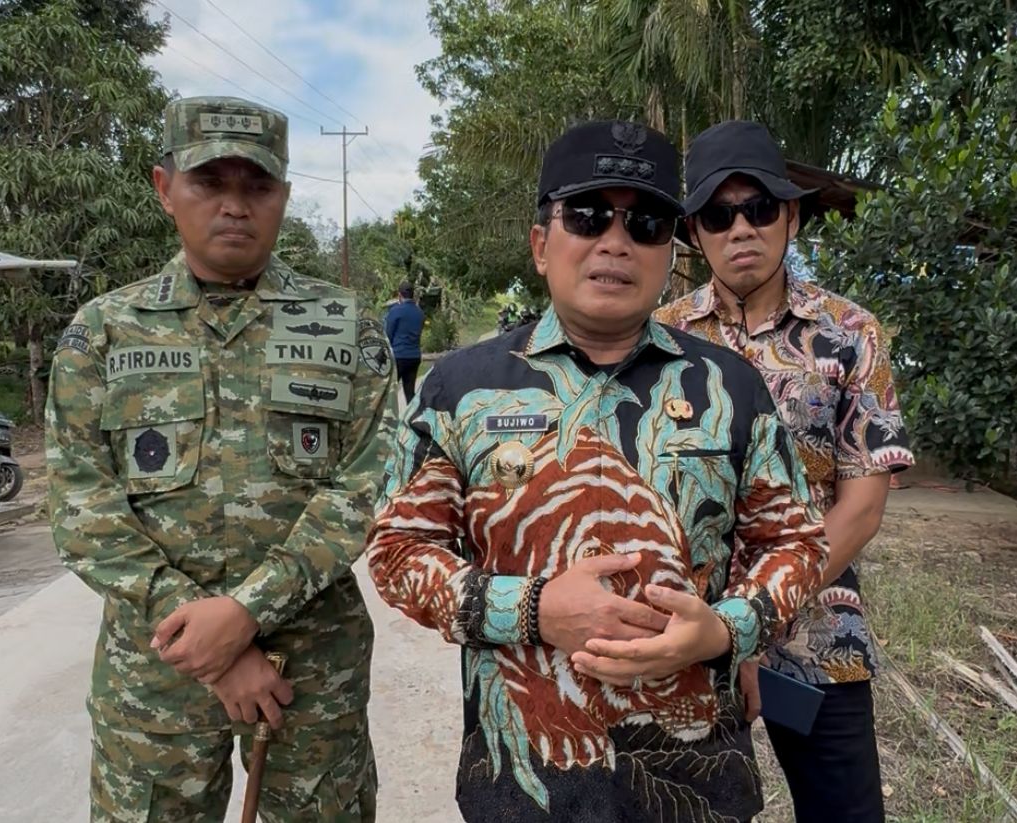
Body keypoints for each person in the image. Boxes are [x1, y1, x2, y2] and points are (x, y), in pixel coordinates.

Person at [367, 120, 829, 822]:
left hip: (695, 779)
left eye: (644, 222)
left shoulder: (729, 388)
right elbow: (398, 552)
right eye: (586, 215)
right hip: (525, 781)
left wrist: (725, 628)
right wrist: (529, 608)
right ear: (540, 243)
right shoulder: (460, 389)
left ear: (665, 253)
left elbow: (794, 544)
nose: (615, 240)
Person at [46, 96, 394, 821]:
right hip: (157, 678)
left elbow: (366, 485)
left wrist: (245, 610)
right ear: (164, 186)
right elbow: (83, 508)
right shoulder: (102, 333)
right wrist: (208, 638)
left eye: (257, 186)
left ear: (284, 197)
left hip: (311, 672)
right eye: (210, 183)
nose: (235, 205)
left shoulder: (345, 327)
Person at [655, 120, 915, 823]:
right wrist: (709, 621)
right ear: (694, 232)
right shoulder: (660, 340)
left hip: (816, 629)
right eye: (718, 212)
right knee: (684, 808)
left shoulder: (848, 333)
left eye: (760, 207)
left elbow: (862, 505)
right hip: (686, 630)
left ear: (790, 215)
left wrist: (754, 613)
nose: (741, 227)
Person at [385, 280, 425, 401]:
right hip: (414, 356)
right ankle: (411, 418)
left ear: (399, 295)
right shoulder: (420, 313)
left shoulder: (395, 311)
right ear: (413, 294)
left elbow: (388, 334)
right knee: (410, 392)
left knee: (390, 392)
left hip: (398, 356)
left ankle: (391, 418)